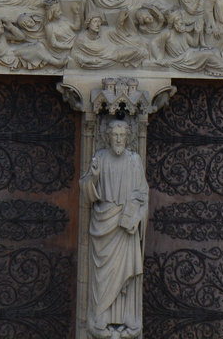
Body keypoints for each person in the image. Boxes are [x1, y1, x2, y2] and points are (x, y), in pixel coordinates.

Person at [82, 119, 148, 338]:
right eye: (114, 135)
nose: (118, 139)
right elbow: (86, 192)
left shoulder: (134, 160)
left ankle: (126, 317)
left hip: (125, 227)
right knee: (102, 275)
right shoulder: (99, 158)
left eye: (122, 135)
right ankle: (100, 317)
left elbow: (143, 194)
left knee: (126, 273)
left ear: (128, 137)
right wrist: (93, 175)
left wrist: (137, 217)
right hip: (104, 225)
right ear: (108, 137)